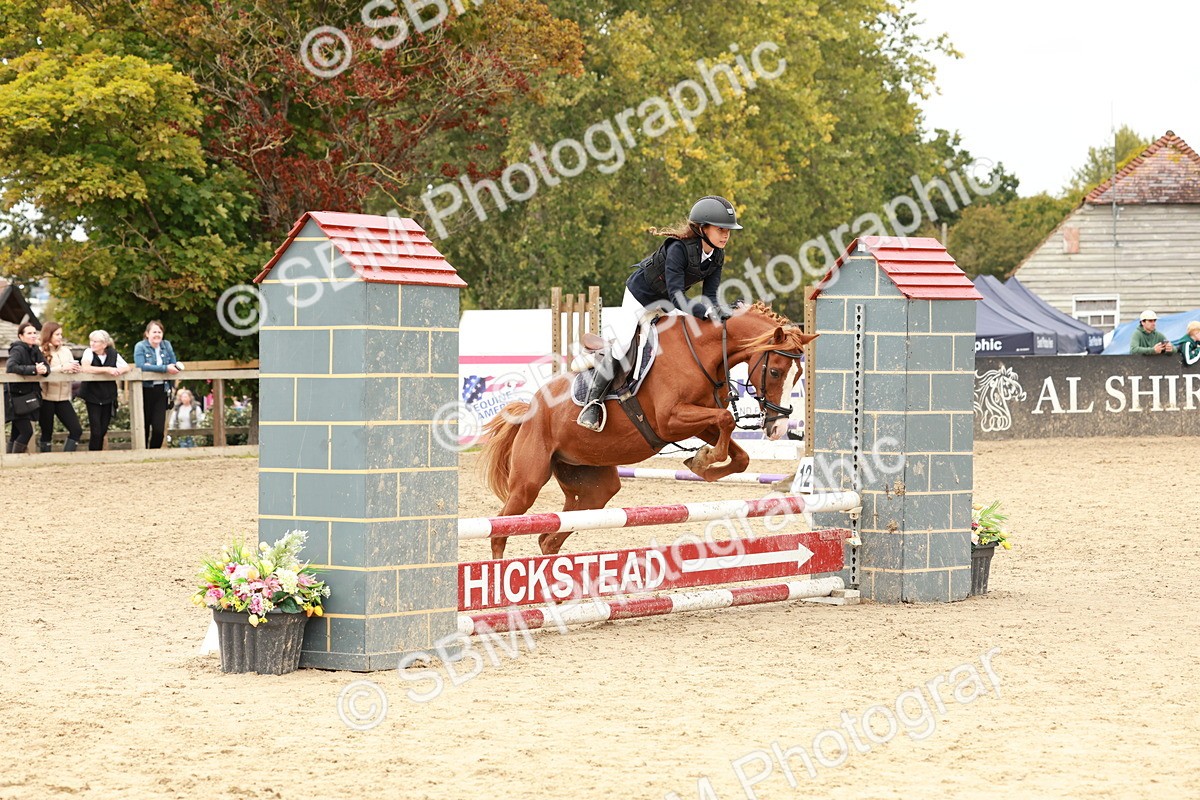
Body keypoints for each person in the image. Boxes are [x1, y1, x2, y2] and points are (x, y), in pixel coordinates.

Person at [578, 195, 743, 431]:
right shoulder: (678, 248)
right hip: (640, 297)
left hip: (666, 303)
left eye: (728, 230)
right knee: (623, 345)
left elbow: (710, 296)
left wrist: (719, 311)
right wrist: (705, 310)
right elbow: (677, 294)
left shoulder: (717, 254)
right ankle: (592, 403)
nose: (726, 234)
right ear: (702, 228)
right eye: (721, 229)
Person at [133, 320, 185, 449]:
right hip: (144, 390)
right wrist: (164, 368)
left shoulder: (166, 345)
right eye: (154, 332)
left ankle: (153, 453)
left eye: (159, 332)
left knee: (158, 429)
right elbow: (141, 366)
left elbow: (173, 363)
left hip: (162, 389)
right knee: (143, 425)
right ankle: (142, 454)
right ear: (147, 334)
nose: (157, 334)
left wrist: (156, 367)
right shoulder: (140, 346)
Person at [78, 330, 132, 451]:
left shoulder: (113, 353)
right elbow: (86, 368)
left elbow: (127, 367)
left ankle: (99, 454)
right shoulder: (88, 353)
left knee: (103, 429)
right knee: (96, 430)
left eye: (95, 341)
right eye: (91, 341)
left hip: (108, 395)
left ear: (104, 344)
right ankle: (93, 454)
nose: (92, 344)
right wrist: (107, 369)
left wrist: (119, 371)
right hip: (92, 395)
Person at [37, 322, 83, 452]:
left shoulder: (66, 351)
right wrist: (62, 368)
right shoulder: (40, 351)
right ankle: (46, 459)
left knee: (76, 430)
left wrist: (74, 369)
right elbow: (43, 372)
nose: (60, 337)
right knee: (47, 432)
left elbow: (69, 369)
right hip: (46, 398)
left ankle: (66, 458)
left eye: (61, 334)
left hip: (63, 397)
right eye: (57, 334)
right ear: (49, 335)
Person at [5, 322, 48, 453]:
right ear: (21, 336)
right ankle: (15, 459)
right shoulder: (17, 349)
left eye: (35, 332)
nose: (33, 335)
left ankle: (10, 460)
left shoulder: (36, 350)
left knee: (16, 432)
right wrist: (34, 369)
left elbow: (46, 367)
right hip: (16, 397)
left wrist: (44, 369)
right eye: (29, 333)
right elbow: (11, 367)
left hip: (28, 395)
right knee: (26, 431)